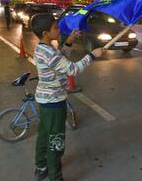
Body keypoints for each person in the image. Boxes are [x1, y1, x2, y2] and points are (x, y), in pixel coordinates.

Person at [31, 14, 103, 181]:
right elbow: (72, 69)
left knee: (44, 135)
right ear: (45, 33)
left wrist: (69, 40)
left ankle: (41, 168)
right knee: (56, 141)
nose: (59, 29)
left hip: (45, 100)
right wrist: (92, 55)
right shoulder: (49, 53)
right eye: (55, 27)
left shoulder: (43, 48)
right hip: (54, 102)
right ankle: (55, 176)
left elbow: (60, 58)